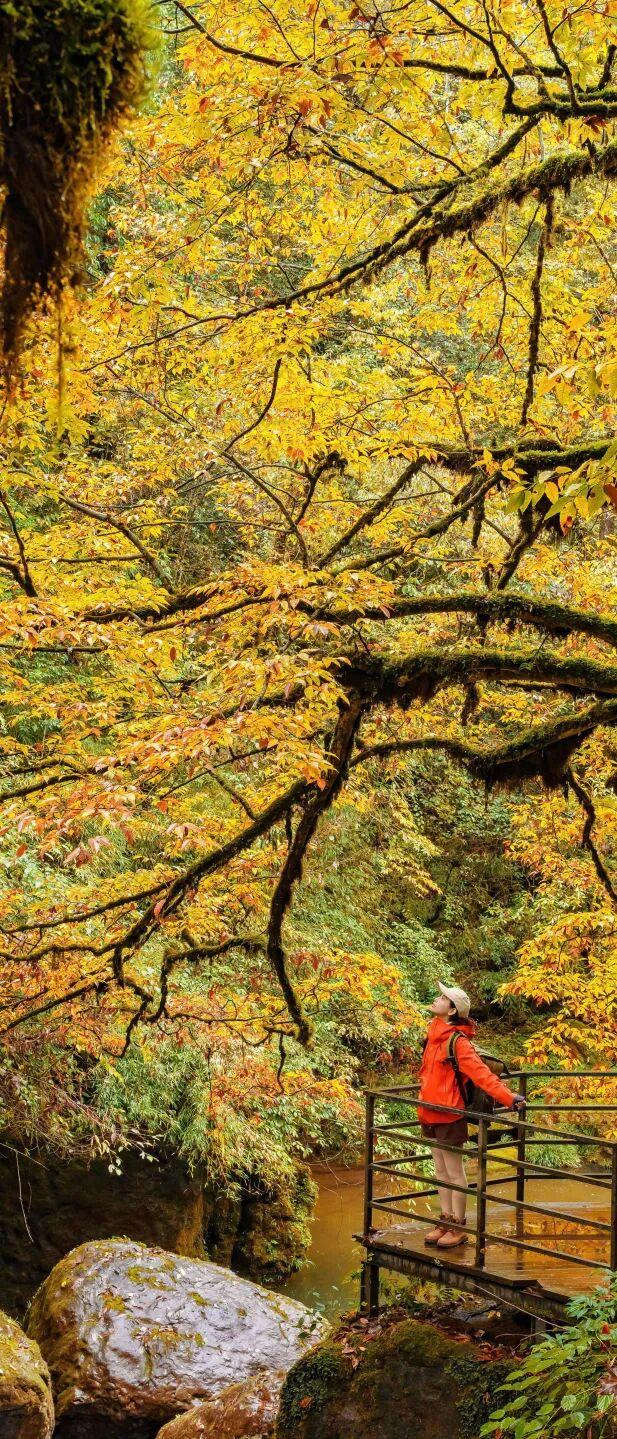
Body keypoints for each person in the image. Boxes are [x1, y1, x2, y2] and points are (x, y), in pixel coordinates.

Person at [418, 982, 526, 1250]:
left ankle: (459, 1225)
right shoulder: (433, 1035)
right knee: (440, 1170)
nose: (437, 998)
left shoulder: (458, 1042)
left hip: (449, 1113)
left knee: (454, 1171)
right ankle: (445, 1220)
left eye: (443, 997)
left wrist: (509, 1098)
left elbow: (482, 1075)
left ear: (452, 1010)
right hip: (429, 1111)